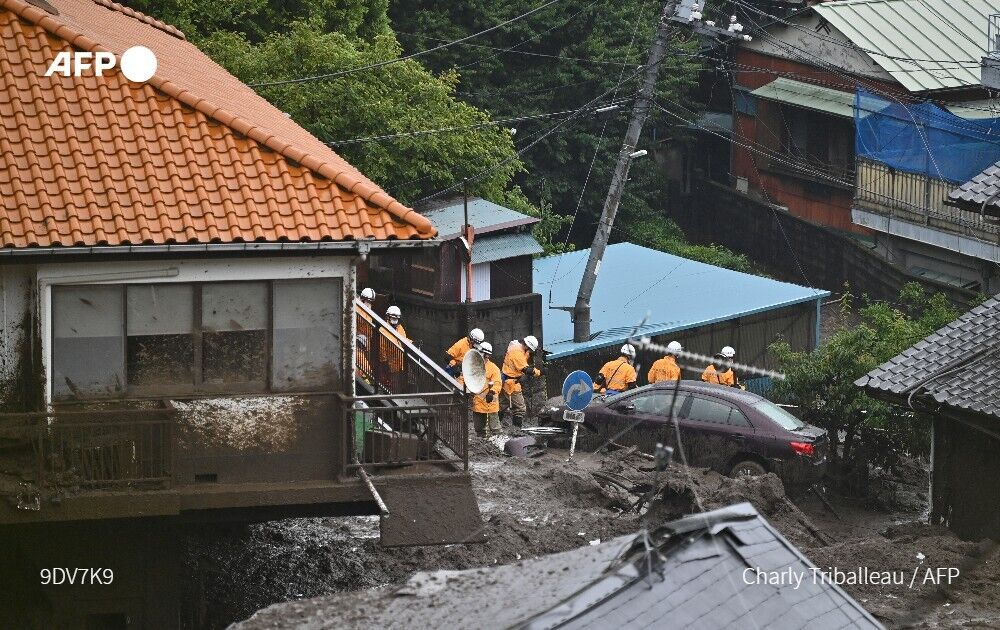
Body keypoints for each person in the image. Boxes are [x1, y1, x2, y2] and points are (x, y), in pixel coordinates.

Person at [458, 342, 502, 437]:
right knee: (479, 428)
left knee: (495, 428)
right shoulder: (472, 365)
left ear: (487, 355)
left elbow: (498, 383)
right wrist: (461, 388)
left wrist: (492, 391)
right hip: (477, 402)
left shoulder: (494, 368)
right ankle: (482, 443)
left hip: (490, 401)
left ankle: (498, 442)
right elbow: (463, 377)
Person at [500, 335, 542, 428]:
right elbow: (527, 370)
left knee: (502, 405)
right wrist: (540, 372)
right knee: (520, 408)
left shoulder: (516, 345)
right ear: (526, 346)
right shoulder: (517, 353)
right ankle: (516, 429)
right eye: (530, 349)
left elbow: (522, 357)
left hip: (506, 379)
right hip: (511, 383)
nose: (530, 351)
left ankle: (495, 425)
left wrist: (529, 354)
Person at [378, 305, 409, 391]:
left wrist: (411, 343)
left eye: (396, 319)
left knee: (399, 383)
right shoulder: (383, 330)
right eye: (393, 318)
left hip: (400, 361)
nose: (395, 321)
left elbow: (404, 340)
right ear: (388, 317)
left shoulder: (399, 328)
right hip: (390, 363)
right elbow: (382, 348)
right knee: (392, 384)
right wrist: (384, 363)